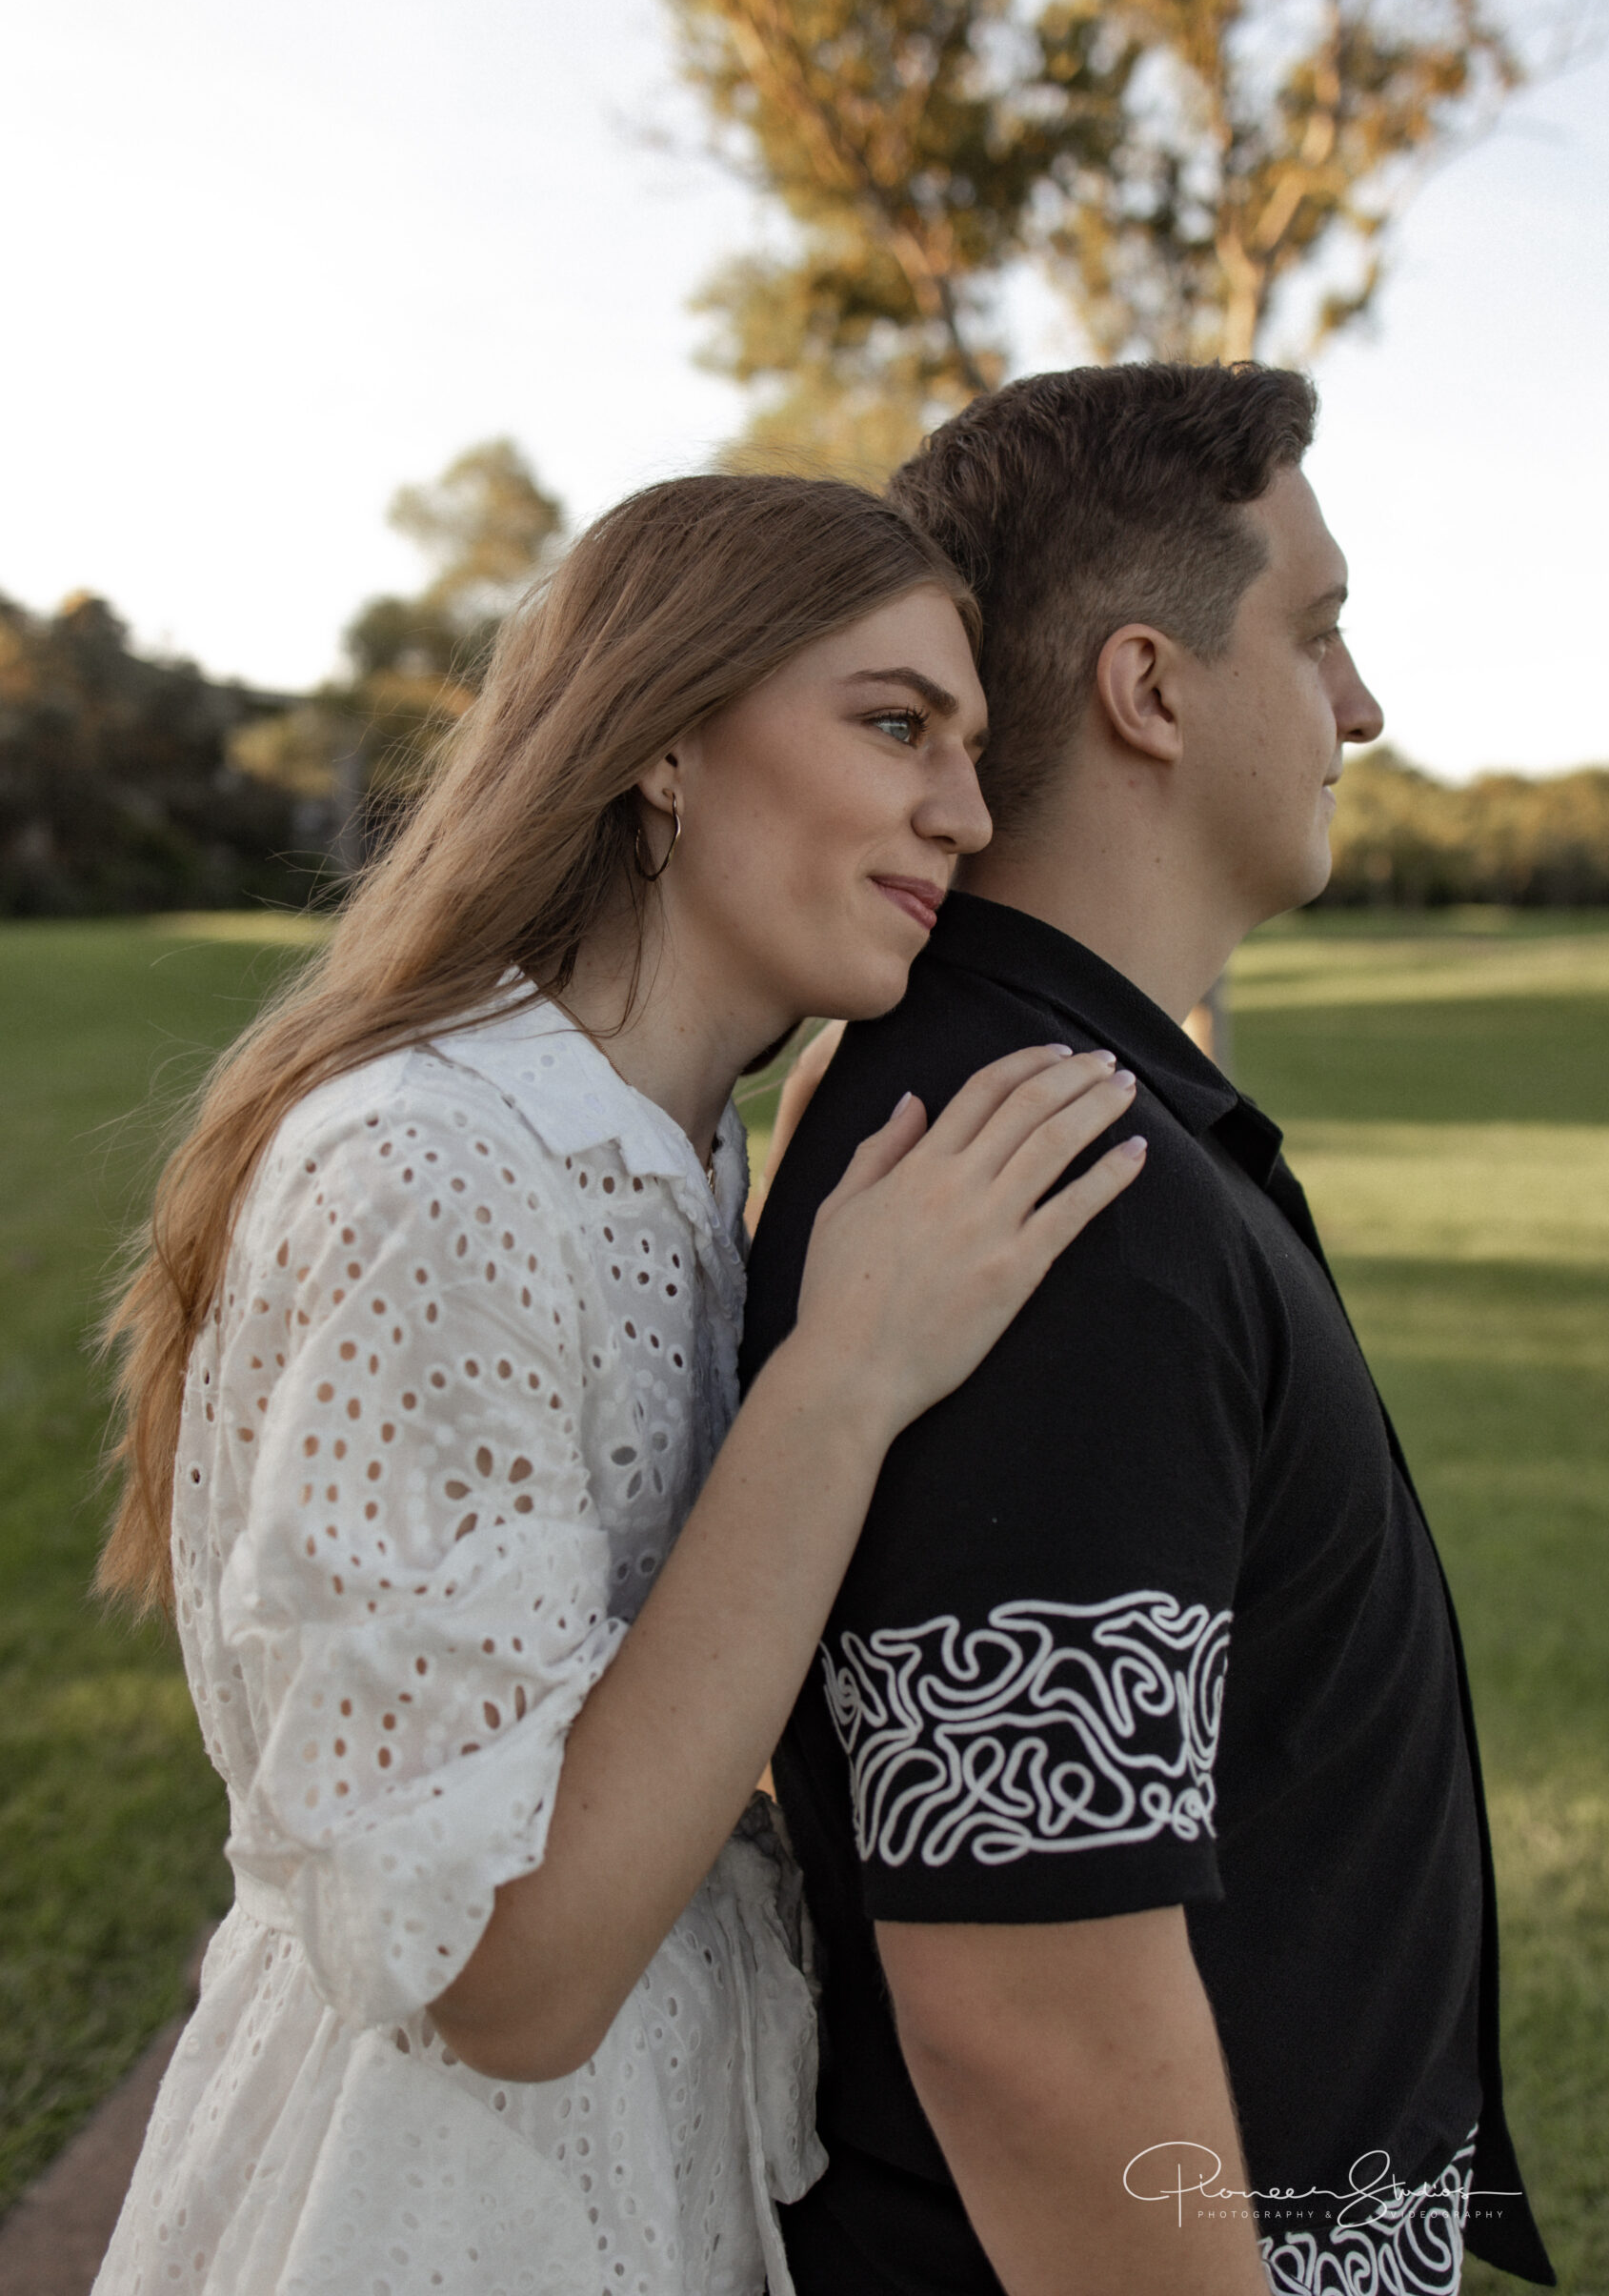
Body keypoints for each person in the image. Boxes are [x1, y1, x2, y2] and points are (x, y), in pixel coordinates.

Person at [90, 473, 1148, 2296]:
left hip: (664, 2156)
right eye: (897, 724)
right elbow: (507, 1982)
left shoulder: (673, 1149)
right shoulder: (434, 1165)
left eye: (973, 750)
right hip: (439, 2201)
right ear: (663, 738)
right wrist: (844, 1378)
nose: (967, 815)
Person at [743, 367, 1555, 2296]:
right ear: (1150, 688)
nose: (1361, 705)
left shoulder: (1062, 1112)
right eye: (1317, 630)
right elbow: (1024, 2011)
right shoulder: (1040, 1187)